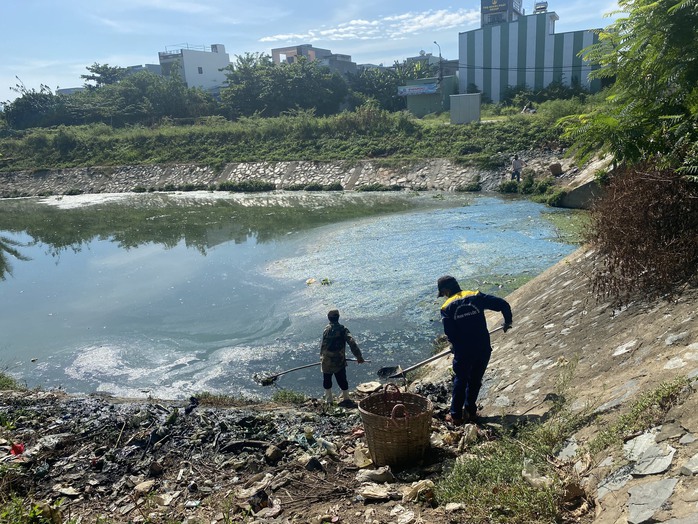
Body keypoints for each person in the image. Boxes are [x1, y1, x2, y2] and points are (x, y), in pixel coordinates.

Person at [437, 275, 512, 425]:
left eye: (443, 293)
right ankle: (471, 411)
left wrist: (454, 346)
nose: (443, 296)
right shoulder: (476, 296)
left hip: (464, 352)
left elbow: (450, 333)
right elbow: (503, 304)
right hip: (482, 348)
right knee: (475, 380)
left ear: (446, 290)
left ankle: (456, 416)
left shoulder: (446, 307)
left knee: (461, 380)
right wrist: (507, 321)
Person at [320, 309, 365, 407]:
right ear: (338, 317)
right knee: (342, 379)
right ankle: (346, 398)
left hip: (326, 361)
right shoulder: (343, 329)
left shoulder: (326, 330)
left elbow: (323, 346)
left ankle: (329, 401)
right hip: (338, 361)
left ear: (329, 318)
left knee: (327, 380)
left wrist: (322, 358)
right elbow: (351, 342)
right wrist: (359, 356)